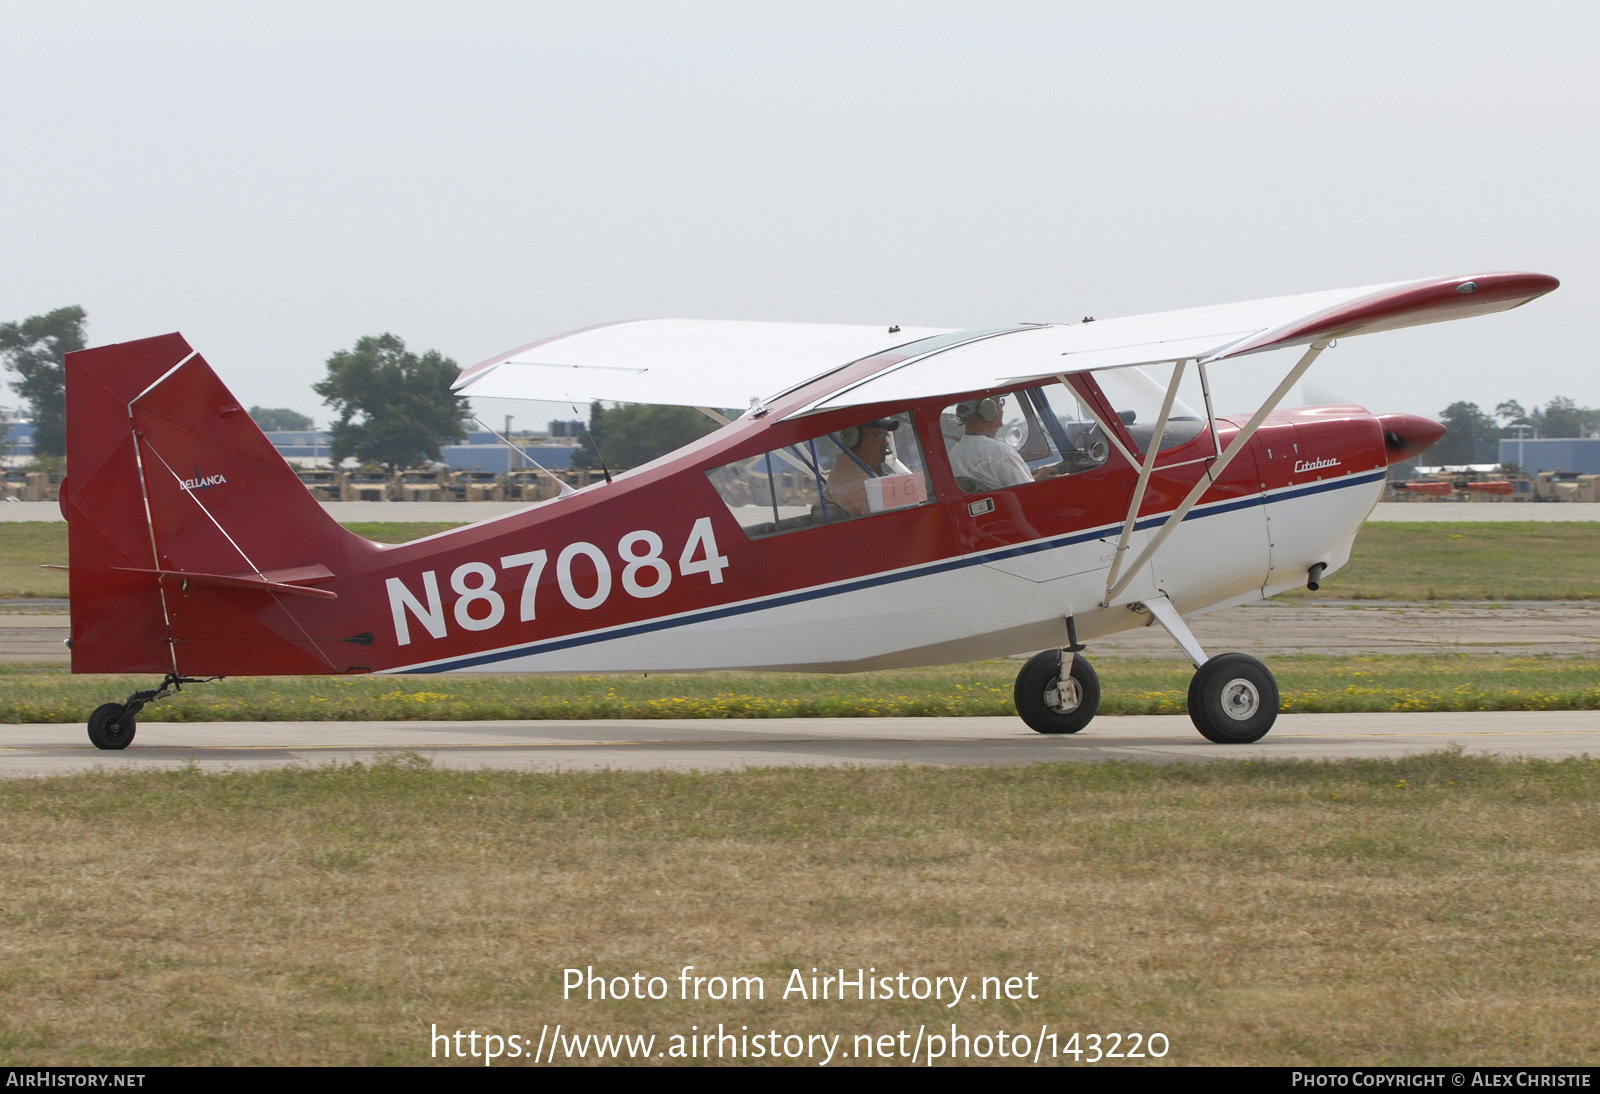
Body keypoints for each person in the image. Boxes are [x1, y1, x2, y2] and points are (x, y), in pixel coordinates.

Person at [947, 396, 1061, 490]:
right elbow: (1027, 492)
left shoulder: (954, 453)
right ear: (988, 410)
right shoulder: (999, 452)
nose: (1002, 408)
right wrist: (1039, 479)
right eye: (999, 402)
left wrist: (1035, 478)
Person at [824, 419, 910, 517]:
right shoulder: (854, 478)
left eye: (885, 437)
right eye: (878, 436)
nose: (885, 443)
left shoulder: (854, 468)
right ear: (852, 438)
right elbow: (894, 518)